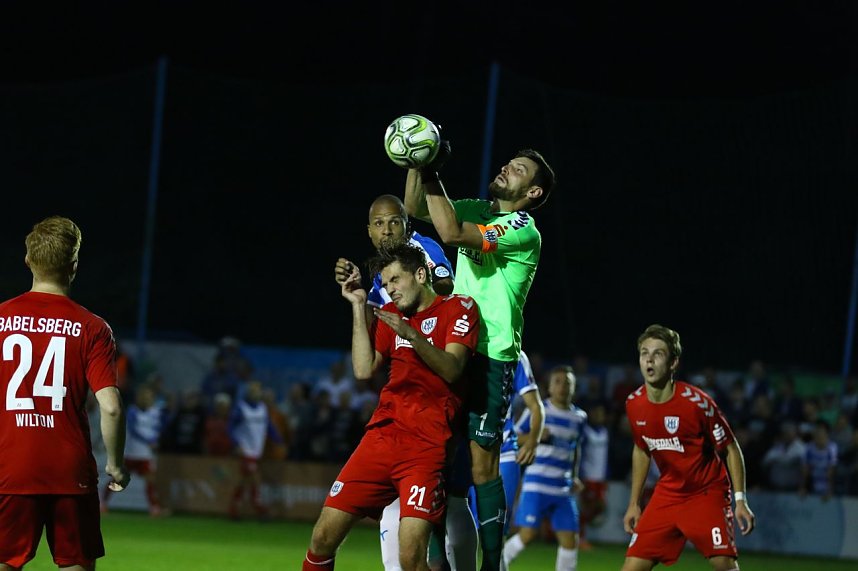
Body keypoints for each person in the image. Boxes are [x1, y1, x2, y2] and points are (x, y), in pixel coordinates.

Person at [404, 143, 556, 571]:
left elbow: (450, 233)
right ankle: (437, 558)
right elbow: (416, 206)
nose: (507, 166)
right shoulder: (480, 208)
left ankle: (493, 564)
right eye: (511, 161)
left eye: (520, 169)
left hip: (492, 357)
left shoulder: (523, 226)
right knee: (434, 451)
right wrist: (418, 164)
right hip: (455, 345)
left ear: (533, 192)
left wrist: (432, 167)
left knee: (482, 465)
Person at [304, 243, 479, 571]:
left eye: (396, 280)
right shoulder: (393, 318)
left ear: (422, 274)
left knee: (411, 559)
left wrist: (411, 335)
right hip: (381, 440)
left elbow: (454, 369)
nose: (390, 290)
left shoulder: (460, 308)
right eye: (385, 284)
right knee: (322, 537)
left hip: (426, 450)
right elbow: (362, 369)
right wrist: (358, 305)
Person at [335, 194, 472, 571]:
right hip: (403, 414)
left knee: (452, 500)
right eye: (378, 224)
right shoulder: (382, 283)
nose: (387, 230)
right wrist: (359, 301)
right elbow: (370, 359)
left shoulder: (424, 253)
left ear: (407, 223)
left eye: (394, 221)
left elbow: (442, 302)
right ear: (368, 231)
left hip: (443, 405)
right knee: (404, 518)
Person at [0, 215, 130, 570]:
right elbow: (112, 407)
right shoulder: (92, 327)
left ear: (28, 261)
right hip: (69, 470)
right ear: (73, 265)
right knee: (75, 564)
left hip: (9, 466)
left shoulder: (1, 318)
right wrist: (116, 465)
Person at [622, 324, 756, 571]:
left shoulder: (696, 403)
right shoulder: (633, 404)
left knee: (724, 564)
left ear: (673, 363)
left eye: (658, 354)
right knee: (632, 567)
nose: (649, 360)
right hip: (668, 494)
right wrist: (634, 502)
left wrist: (740, 500)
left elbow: (730, 448)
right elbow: (641, 449)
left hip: (706, 493)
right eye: (644, 353)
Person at [503, 366, 587, 571]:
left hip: (563, 487)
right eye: (557, 381)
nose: (562, 387)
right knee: (528, 534)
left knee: (570, 539)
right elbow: (512, 436)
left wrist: (575, 476)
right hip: (536, 484)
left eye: (567, 382)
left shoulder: (579, 417)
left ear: (574, 387)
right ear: (549, 387)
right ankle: (499, 564)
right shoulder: (539, 411)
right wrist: (536, 436)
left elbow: (576, 449)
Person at [102, 382, 167, 517]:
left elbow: (159, 428)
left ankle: (154, 508)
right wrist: (148, 441)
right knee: (117, 478)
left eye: (149, 396)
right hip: (131, 452)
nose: (147, 399)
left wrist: (156, 440)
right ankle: (102, 502)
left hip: (146, 454)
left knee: (150, 480)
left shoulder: (156, 412)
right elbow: (132, 429)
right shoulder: (133, 411)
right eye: (145, 396)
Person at [498, 350, 545, 535]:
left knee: (499, 525)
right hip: (467, 450)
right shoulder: (463, 344)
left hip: (505, 451)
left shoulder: (515, 354)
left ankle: (498, 562)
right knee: (457, 522)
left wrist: (533, 442)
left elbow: (536, 406)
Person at [228, 379, 283, 520]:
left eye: (258, 390)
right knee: (255, 478)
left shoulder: (262, 408)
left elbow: (269, 427)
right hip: (245, 451)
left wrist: (279, 440)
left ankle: (234, 508)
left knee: (244, 480)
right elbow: (230, 428)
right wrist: (236, 444)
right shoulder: (241, 408)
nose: (257, 393)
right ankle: (260, 509)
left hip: (257, 451)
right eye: (254, 390)